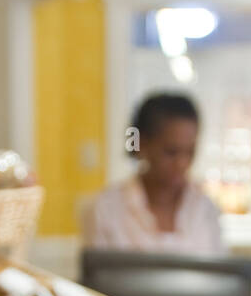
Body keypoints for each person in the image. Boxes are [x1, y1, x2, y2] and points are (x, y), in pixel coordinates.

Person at [83, 92, 224, 254]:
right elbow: (98, 275)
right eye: (171, 152)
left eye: (190, 152)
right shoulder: (106, 208)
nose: (182, 163)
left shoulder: (205, 209)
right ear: (143, 145)